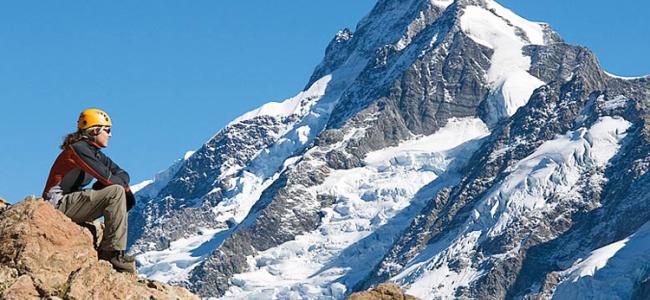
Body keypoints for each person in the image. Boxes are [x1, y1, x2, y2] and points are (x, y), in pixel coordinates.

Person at [42, 108, 137, 273]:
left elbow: (122, 173)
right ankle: (111, 253)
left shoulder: (94, 153)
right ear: (95, 130)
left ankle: (114, 251)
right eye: (107, 130)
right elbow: (109, 178)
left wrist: (122, 185)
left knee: (116, 190)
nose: (110, 135)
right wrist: (122, 188)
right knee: (115, 191)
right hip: (56, 205)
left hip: (70, 201)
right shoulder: (78, 148)